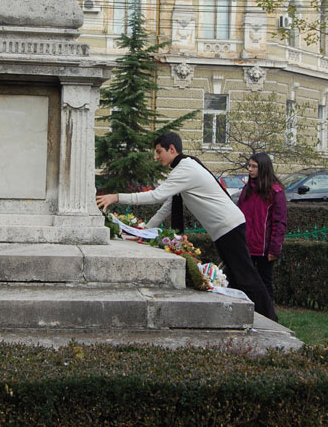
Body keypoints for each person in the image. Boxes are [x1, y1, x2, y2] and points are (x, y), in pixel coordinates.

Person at [96, 131, 278, 321]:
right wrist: (145, 232)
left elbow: (155, 196)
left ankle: (270, 319)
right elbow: (167, 206)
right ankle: (249, 317)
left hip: (229, 227)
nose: (156, 157)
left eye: (159, 152)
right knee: (235, 276)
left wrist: (117, 197)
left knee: (246, 277)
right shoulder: (184, 168)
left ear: (172, 149)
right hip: (225, 229)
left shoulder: (185, 169)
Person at [237, 152, 287, 302]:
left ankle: (268, 315)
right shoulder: (247, 189)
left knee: (265, 283)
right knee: (245, 282)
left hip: (264, 249)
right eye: (249, 166)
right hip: (247, 245)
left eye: (254, 166)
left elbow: (279, 222)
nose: (250, 169)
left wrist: (274, 248)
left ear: (263, 168)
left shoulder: (275, 192)